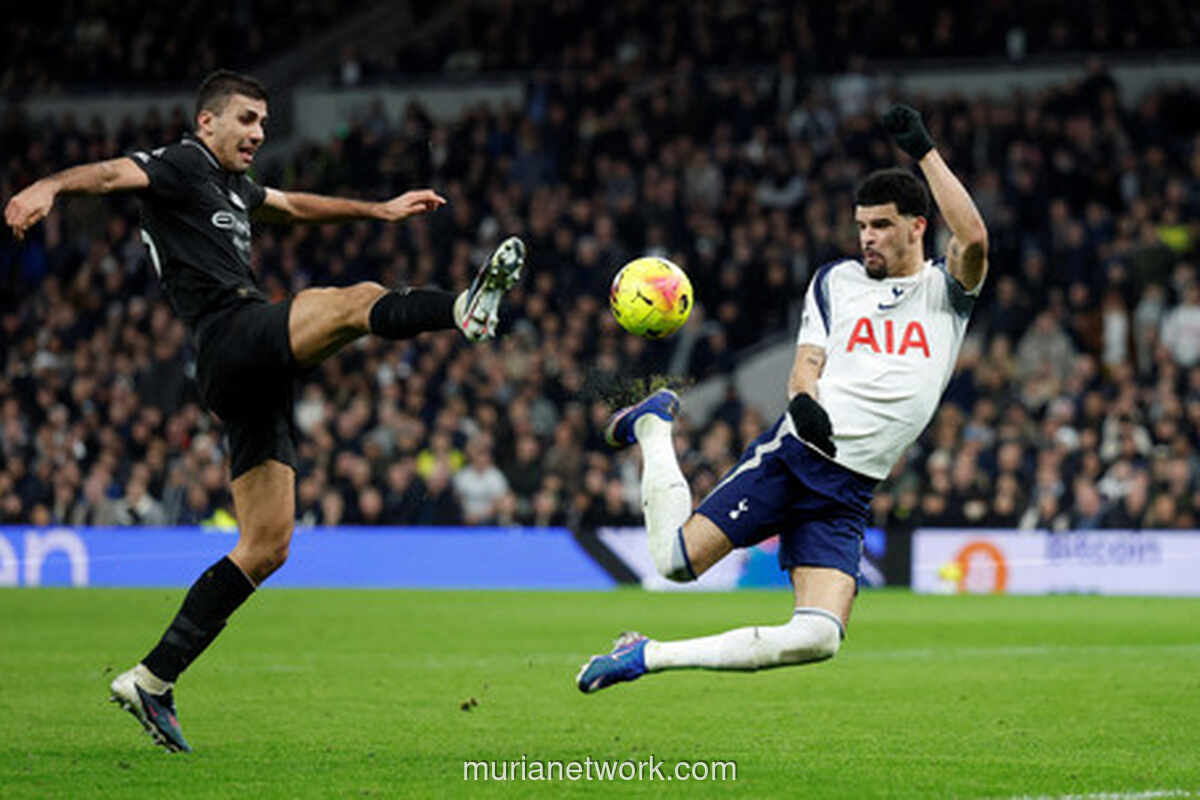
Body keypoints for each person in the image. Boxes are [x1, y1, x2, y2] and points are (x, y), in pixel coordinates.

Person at [5, 70, 526, 751]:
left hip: (246, 373)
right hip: (226, 336)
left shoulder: (231, 187)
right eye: (245, 120)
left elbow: (290, 206)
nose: (256, 134)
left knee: (267, 544)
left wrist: (376, 210)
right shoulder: (182, 163)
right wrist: (46, 186)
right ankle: (461, 307)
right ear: (207, 123)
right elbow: (107, 177)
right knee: (350, 300)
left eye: (262, 124)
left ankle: (152, 680)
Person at [577, 105, 988, 693]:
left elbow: (973, 236)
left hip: (850, 488)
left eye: (880, 225)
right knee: (674, 562)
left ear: (917, 226)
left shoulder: (945, 293)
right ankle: (653, 427)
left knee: (818, 638)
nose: (866, 237)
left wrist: (925, 152)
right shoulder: (835, 281)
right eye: (861, 226)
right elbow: (806, 366)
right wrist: (803, 402)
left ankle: (646, 655)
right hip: (796, 459)